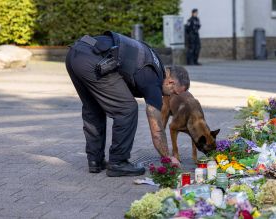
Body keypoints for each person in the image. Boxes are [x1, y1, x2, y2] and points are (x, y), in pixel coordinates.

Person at [65, 32, 187, 177]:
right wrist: (168, 158)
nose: (171, 96)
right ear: (170, 82)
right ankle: (118, 162)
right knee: (127, 109)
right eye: (174, 92)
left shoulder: (156, 62)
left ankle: (95, 161)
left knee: (93, 107)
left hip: (76, 52)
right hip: (93, 60)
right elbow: (157, 130)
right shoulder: (154, 80)